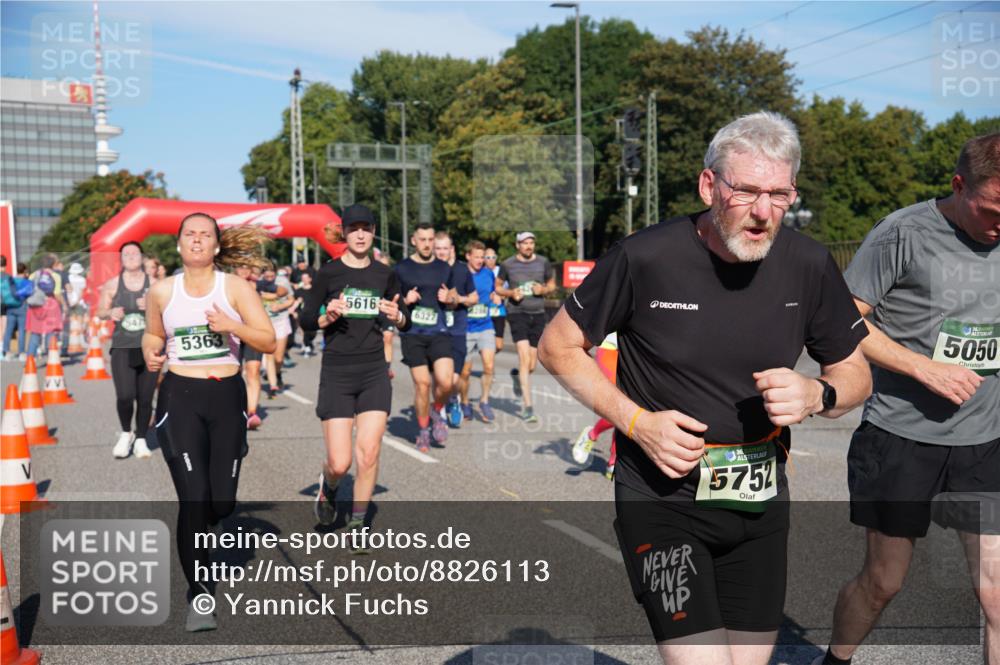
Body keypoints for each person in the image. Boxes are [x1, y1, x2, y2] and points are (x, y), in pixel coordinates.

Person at [538, 111, 872, 665]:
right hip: (662, 501)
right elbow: (558, 346)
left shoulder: (809, 264)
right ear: (708, 185)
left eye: (779, 194)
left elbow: (855, 373)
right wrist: (639, 424)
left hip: (760, 502)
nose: (763, 212)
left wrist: (818, 395)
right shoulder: (645, 257)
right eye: (745, 192)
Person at [819, 133, 1000, 665]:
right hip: (901, 437)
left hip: (985, 441)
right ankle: (836, 660)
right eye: (991, 211)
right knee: (884, 582)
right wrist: (923, 367)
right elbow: (842, 320)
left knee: (995, 593)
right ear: (958, 185)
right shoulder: (903, 233)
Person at [143, 214, 275, 632]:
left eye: (205, 235)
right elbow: (152, 334)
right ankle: (201, 596)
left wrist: (232, 326)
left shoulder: (235, 288)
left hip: (226, 397)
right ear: (178, 245)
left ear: (217, 246)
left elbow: (268, 339)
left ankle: (215, 515)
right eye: (190, 235)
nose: (197, 241)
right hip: (180, 397)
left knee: (221, 504)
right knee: (194, 498)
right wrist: (152, 351)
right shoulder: (163, 291)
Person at [300, 205, 409, 549]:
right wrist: (327, 316)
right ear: (344, 233)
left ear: (373, 231)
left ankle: (359, 523)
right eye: (354, 228)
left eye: (366, 228)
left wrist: (399, 317)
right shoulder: (328, 274)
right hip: (337, 371)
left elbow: (402, 316)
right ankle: (330, 486)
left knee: (369, 452)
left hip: (374, 369)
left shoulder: (385, 274)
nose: (360, 234)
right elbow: (304, 321)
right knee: (340, 461)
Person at [395, 223, 457, 452]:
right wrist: (405, 299)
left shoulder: (444, 267)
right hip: (412, 333)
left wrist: (450, 297)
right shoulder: (401, 268)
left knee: (446, 381)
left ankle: (436, 409)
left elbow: (453, 296)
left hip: (439, 331)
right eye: (423, 239)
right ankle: (423, 430)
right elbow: (391, 299)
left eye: (431, 239)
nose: (427, 244)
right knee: (422, 384)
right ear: (413, 240)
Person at [97, 241, 156, 459]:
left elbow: (169, 310)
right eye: (126, 254)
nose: (130, 256)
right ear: (121, 259)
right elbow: (100, 311)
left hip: (149, 345)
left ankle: (141, 438)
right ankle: (125, 433)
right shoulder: (113, 284)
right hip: (122, 345)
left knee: (146, 397)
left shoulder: (156, 284)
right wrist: (110, 311)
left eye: (134, 253)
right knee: (125, 395)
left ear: (142, 256)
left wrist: (152, 305)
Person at [495, 232, 556, 422]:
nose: (528, 246)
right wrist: (511, 293)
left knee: (531, 363)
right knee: (523, 358)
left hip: (538, 314)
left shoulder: (543, 262)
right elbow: (497, 287)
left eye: (531, 243)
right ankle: (528, 407)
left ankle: (517, 377)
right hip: (517, 313)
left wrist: (543, 290)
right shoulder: (507, 264)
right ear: (517, 245)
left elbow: (552, 285)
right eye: (524, 243)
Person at [434, 231, 477, 428]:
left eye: (445, 248)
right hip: (435, 330)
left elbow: (474, 298)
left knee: (453, 379)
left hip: (458, 329)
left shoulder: (462, 270)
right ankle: (440, 412)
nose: (442, 252)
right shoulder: (428, 270)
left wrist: (456, 299)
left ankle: (452, 400)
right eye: (438, 248)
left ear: (452, 249)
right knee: (440, 377)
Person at [572, 331, 619, 479]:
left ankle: (613, 461)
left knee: (634, 406)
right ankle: (592, 434)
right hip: (611, 346)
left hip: (639, 352)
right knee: (617, 408)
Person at [459, 240, 497, 423]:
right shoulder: (460, 274)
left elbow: (492, 292)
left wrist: (495, 297)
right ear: (468, 256)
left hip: (485, 326)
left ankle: (484, 401)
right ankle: (465, 402)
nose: (480, 260)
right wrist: (466, 300)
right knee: (465, 372)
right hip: (465, 328)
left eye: (482, 257)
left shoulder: (488, 274)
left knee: (489, 366)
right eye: (477, 257)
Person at [259, 265, 295, 398]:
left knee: (279, 357)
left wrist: (280, 305)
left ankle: (277, 373)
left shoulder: (283, 282)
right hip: (266, 322)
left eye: (271, 276)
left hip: (281, 320)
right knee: (269, 355)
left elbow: (291, 300)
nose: (269, 279)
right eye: (266, 277)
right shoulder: (259, 283)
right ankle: (272, 385)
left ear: (275, 274)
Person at [26, 253, 65, 361]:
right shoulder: (56, 276)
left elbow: (29, 290)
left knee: (35, 332)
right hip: (51, 305)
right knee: (51, 332)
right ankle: (51, 358)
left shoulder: (34, 275)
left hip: (36, 305)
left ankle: (30, 360)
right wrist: (64, 305)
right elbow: (57, 294)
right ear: (53, 264)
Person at [2, 263, 30, 361]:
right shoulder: (26, 282)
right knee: (22, 330)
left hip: (10, 306)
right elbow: (29, 295)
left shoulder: (10, 279)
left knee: (9, 330)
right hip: (22, 307)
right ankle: (21, 353)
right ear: (25, 271)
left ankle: (6, 352)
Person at [485, 248, 508, 353]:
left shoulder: (500, 271)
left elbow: (507, 290)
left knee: (499, 345)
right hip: (485, 311)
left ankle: (489, 356)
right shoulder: (480, 271)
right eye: (488, 257)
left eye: (493, 257)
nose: (491, 260)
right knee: (487, 343)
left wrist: (501, 295)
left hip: (499, 310)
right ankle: (488, 361)